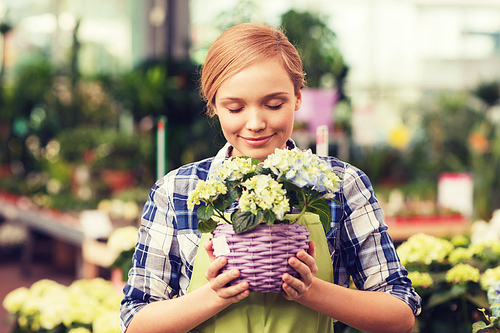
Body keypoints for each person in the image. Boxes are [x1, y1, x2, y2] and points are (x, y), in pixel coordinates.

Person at [120, 22, 421, 333]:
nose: (255, 123)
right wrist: (215, 294)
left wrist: (312, 291)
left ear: (298, 98)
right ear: (213, 106)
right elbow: (136, 322)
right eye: (235, 108)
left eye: (274, 104)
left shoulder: (340, 184)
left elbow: (399, 313)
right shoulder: (177, 191)